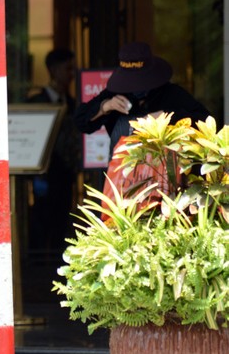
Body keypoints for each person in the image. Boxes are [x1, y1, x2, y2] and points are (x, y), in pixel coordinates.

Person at [74, 42, 211, 157]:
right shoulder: (115, 93)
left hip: (164, 175)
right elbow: (81, 121)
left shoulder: (170, 93)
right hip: (123, 175)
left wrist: (168, 116)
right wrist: (105, 106)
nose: (136, 86)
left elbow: (207, 122)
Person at [26, 49, 81, 250]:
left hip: (66, 176)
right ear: (53, 70)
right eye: (67, 68)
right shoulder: (35, 103)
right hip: (43, 176)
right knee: (41, 223)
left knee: (62, 224)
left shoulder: (74, 104)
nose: (71, 74)